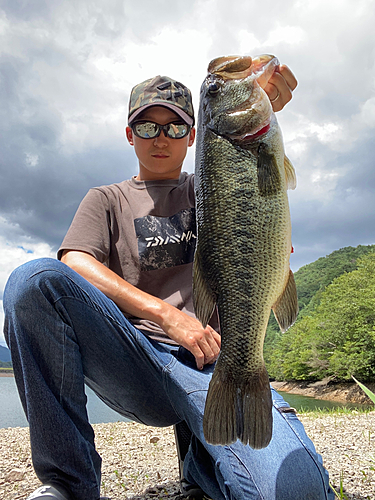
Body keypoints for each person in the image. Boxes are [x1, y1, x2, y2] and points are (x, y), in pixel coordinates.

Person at [3, 63, 334, 500]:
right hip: (132, 357)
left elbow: (260, 181)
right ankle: (68, 484)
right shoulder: (105, 199)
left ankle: (203, 462)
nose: (162, 137)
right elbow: (75, 262)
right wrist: (166, 314)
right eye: (148, 125)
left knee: (296, 492)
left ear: (195, 136)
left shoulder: (214, 182)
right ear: (129, 133)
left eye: (176, 126)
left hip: (212, 360)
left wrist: (265, 102)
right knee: (33, 280)